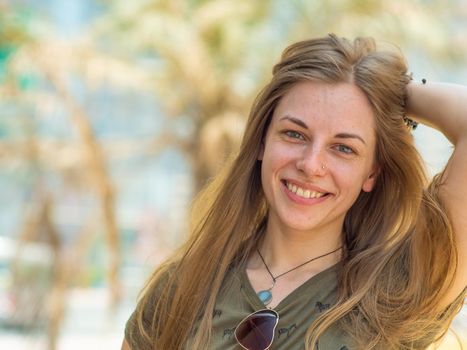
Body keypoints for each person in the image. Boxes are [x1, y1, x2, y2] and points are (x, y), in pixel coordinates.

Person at [122, 34, 467, 350]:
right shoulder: (181, 288)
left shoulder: (401, 290)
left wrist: (390, 90)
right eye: (294, 135)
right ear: (261, 141)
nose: (311, 164)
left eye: (343, 148)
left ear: (372, 172)